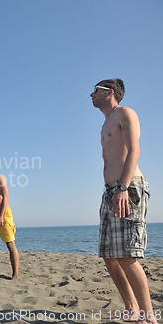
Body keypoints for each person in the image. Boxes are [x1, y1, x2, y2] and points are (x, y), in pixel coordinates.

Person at [91, 79, 158, 324]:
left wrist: (122, 187)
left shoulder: (125, 113)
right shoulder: (105, 124)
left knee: (127, 255)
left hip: (127, 187)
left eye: (95, 90)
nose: (90, 94)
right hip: (110, 191)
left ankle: (148, 316)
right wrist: (112, 191)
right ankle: (132, 309)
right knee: (110, 255)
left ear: (109, 92)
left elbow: (134, 150)